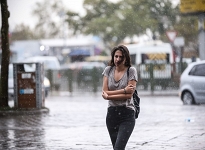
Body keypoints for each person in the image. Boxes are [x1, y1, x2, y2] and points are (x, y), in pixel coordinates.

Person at [102, 45, 138, 150]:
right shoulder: (108, 70)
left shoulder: (131, 71)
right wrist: (124, 90)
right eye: (116, 56)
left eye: (121, 57)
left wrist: (110, 96)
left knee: (118, 148)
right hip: (111, 115)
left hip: (127, 114)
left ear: (126, 58)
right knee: (116, 148)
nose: (118, 59)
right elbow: (104, 92)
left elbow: (129, 95)